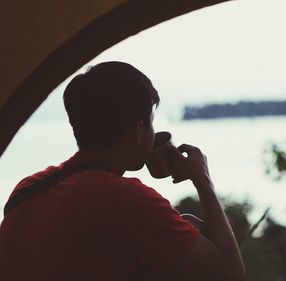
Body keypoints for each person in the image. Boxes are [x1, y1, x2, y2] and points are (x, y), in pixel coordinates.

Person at [0, 61, 245, 281]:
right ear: (139, 130)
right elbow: (231, 274)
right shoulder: (125, 199)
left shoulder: (27, 189)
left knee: (187, 227)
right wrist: (204, 181)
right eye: (150, 121)